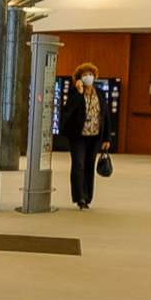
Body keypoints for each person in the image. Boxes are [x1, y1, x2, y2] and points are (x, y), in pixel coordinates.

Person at [57, 62, 116, 211]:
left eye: (90, 74)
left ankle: (88, 195)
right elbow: (68, 111)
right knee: (78, 164)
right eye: (84, 75)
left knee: (89, 165)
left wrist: (107, 138)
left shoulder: (100, 94)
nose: (88, 77)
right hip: (78, 136)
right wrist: (78, 92)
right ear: (79, 78)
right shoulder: (74, 93)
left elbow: (106, 116)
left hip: (95, 136)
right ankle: (79, 197)